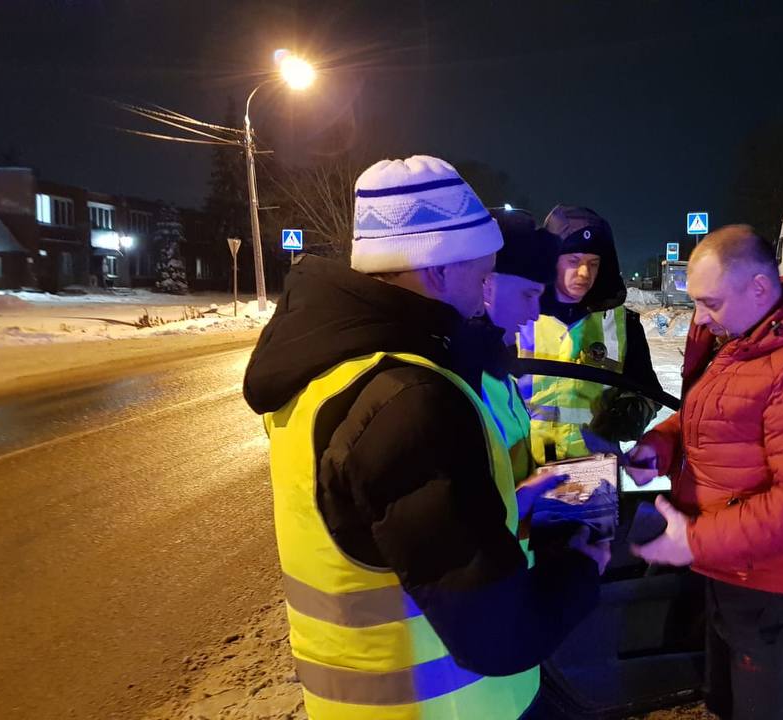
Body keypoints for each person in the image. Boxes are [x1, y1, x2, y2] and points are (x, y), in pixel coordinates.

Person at [243, 156, 609, 720]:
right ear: (436, 271)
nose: (485, 295)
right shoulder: (407, 396)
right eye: (481, 276)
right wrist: (582, 571)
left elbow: (387, 529)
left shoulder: (328, 372)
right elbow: (496, 633)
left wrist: (516, 501)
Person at [625, 225, 783, 720]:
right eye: (696, 303)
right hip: (727, 567)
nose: (701, 319)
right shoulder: (745, 339)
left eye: (710, 303)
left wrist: (694, 540)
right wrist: (662, 446)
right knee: (725, 703)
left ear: (757, 287)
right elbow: (713, 415)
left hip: (772, 589)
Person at [516, 205, 663, 462]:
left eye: (593, 263)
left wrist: (632, 412)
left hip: (596, 479)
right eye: (574, 261)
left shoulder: (624, 324)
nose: (584, 273)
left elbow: (649, 393)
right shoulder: (517, 317)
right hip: (525, 476)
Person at [478, 207, 560, 485]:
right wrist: (525, 501)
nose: (536, 313)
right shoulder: (467, 374)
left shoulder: (499, 369)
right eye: (528, 294)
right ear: (487, 287)